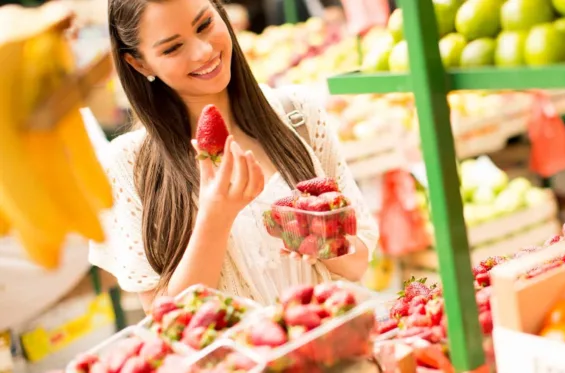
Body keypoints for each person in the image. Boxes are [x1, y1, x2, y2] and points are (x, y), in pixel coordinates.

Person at [91, 0, 377, 311]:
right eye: (173, 48)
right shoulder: (128, 165)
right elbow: (166, 320)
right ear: (139, 63)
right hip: (237, 360)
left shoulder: (298, 114)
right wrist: (215, 217)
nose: (202, 52)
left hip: (337, 346)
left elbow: (357, 265)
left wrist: (319, 239)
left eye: (204, 26)